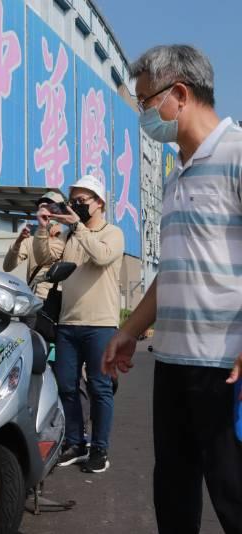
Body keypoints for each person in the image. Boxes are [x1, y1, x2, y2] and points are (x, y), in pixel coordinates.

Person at [102, 45, 242, 534]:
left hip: (226, 370)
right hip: (174, 366)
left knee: (234, 495)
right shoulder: (177, 174)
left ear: (178, 94)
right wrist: (129, 329)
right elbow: (175, 272)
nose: (142, 114)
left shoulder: (237, 154)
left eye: (145, 102)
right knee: (174, 500)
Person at [34, 174, 123, 473]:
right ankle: (75, 442)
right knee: (66, 386)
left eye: (82, 201)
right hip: (68, 322)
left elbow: (100, 257)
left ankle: (100, 449)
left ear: (99, 203)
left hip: (100, 323)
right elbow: (45, 257)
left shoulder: (113, 233)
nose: (76, 206)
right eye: (73, 201)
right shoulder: (71, 236)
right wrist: (44, 228)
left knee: (99, 388)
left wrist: (79, 227)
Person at [3, 191, 66, 299]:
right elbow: (7, 267)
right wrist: (18, 241)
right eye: (42, 208)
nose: (45, 212)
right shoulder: (30, 240)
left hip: (64, 301)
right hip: (37, 301)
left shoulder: (69, 238)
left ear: (61, 212)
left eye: (51, 208)